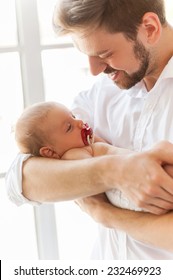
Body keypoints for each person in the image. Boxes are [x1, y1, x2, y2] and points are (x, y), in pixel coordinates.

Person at [5, 0, 173, 259]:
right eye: (87, 55)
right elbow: (24, 180)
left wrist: (105, 213)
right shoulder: (103, 93)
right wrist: (116, 171)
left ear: (149, 28)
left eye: (104, 54)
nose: (94, 70)